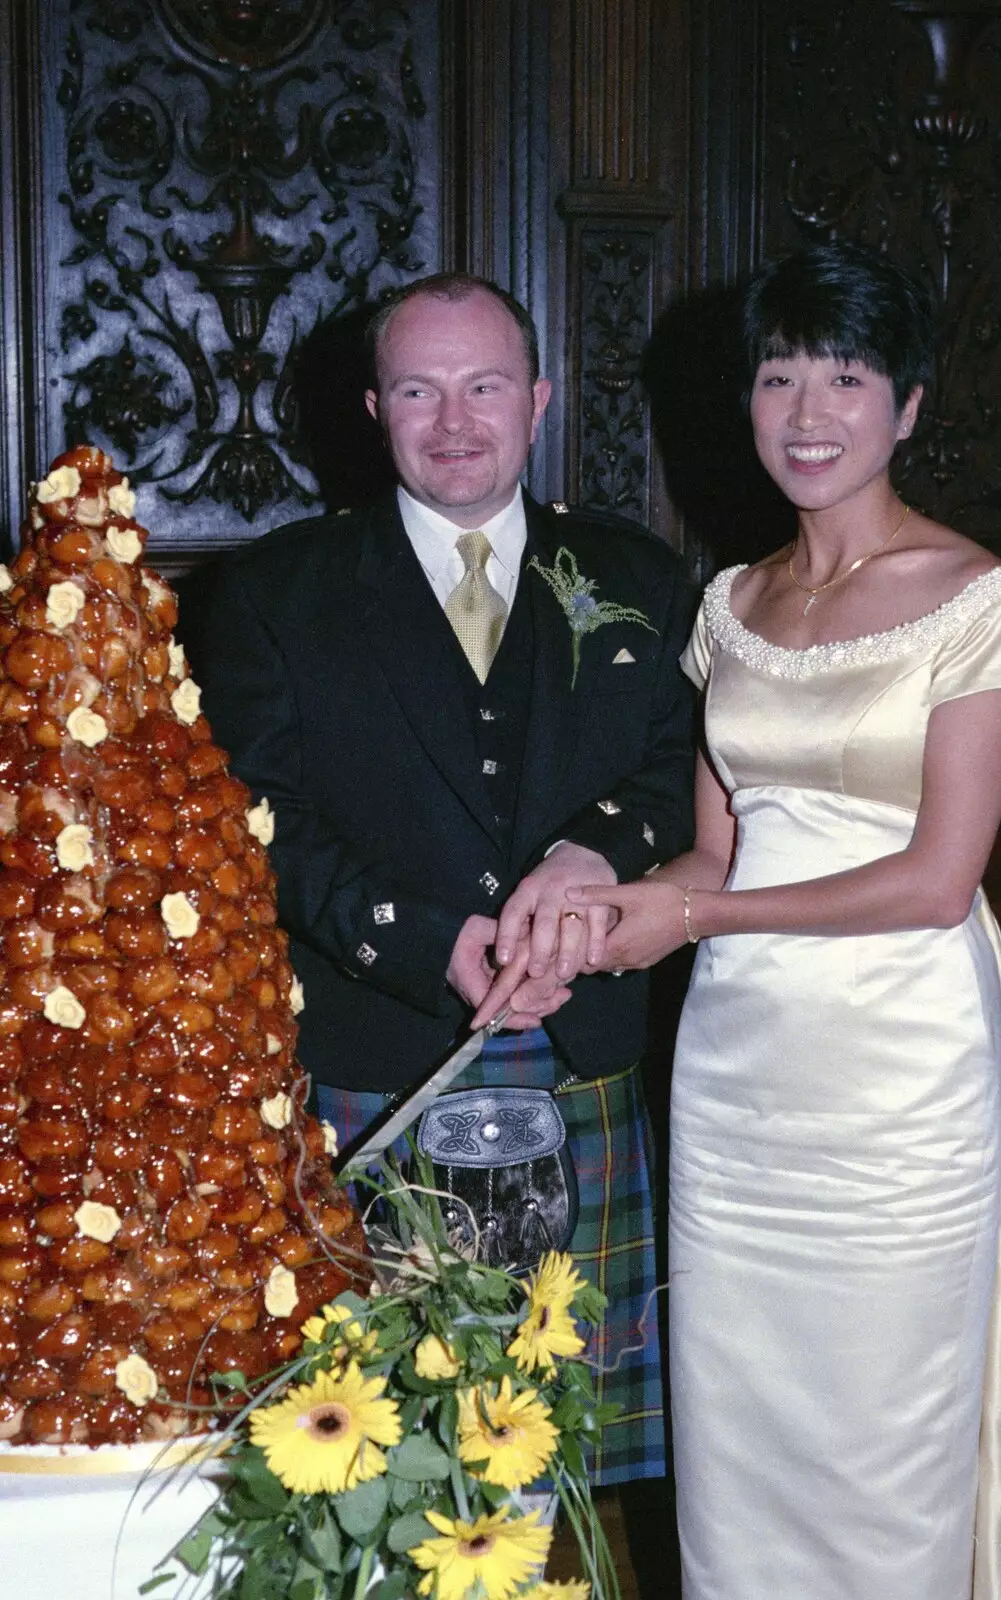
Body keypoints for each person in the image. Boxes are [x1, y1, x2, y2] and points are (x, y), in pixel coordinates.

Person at [532, 241, 1001, 1596]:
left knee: (879, 1424)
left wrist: (700, 919)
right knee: (741, 1424)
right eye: (778, 376)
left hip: (900, 1056)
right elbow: (711, 849)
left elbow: (937, 876)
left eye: (845, 377)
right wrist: (613, 906)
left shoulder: (972, 597)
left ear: (905, 407)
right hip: (741, 1065)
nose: (806, 411)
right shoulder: (729, 602)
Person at [178, 272, 696, 1492]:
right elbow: (253, 818)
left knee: (558, 1461)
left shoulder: (638, 573)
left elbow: (688, 767)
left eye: (484, 386)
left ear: (539, 399)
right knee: (372, 1457)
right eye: (418, 388)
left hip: (585, 1048)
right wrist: (416, 939)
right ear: (372, 405)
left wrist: (601, 851)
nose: (453, 421)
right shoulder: (268, 593)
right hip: (373, 1048)